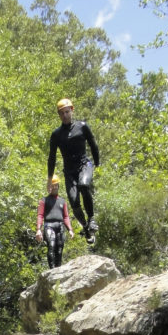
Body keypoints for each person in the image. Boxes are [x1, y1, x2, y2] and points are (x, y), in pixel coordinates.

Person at [47, 97, 99, 244]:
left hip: (84, 165)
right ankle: (86, 227)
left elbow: (94, 146)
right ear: (59, 115)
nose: (65, 115)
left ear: (72, 110)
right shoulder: (56, 135)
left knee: (83, 185)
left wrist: (98, 164)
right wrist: (49, 178)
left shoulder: (82, 127)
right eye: (62, 113)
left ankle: (92, 218)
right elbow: (51, 158)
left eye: (67, 112)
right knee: (74, 201)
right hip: (69, 172)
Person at [35, 174, 73, 268]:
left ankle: (58, 269)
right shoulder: (44, 200)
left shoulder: (62, 201)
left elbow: (66, 217)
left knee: (59, 248)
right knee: (51, 246)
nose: (54, 187)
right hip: (49, 225)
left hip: (60, 226)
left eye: (56, 185)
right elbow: (40, 215)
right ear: (49, 187)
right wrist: (38, 229)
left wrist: (70, 230)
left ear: (58, 186)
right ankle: (52, 270)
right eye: (52, 185)